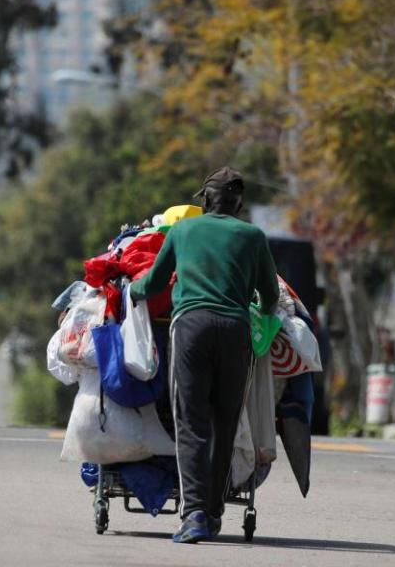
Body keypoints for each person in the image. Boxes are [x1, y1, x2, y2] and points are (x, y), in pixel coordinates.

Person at [130, 166, 279, 544]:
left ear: (205, 201)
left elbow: (155, 282)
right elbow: (270, 297)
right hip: (235, 332)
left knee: (192, 423)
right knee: (224, 424)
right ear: (239, 203)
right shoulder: (253, 236)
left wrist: (133, 292)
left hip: (191, 329)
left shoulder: (182, 230)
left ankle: (194, 513)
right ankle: (212, 513)